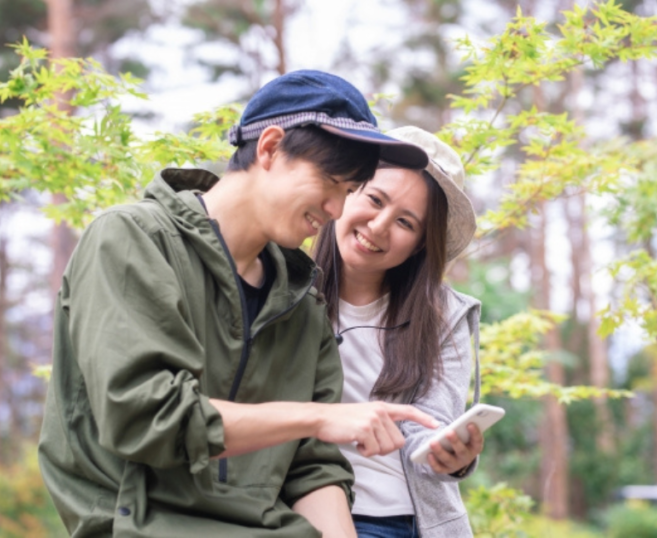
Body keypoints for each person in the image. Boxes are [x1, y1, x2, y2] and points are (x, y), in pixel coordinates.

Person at [38, 70, 442, 538]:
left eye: (348, 192)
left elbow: (312, 469)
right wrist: (320, 417)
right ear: (269, 148)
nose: (335, 209)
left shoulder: (301, 304)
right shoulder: (133, 240)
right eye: (330, 181)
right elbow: (147, 419)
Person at [312, 126, 486, 538]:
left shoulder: (442, 316)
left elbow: (432, 420)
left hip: (403, 519)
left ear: (420, 245)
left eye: (405, 222)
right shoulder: (282, 289)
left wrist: (448, 454)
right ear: (348, 190)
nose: (378, 226)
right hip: (302, 508)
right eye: (375, 199)